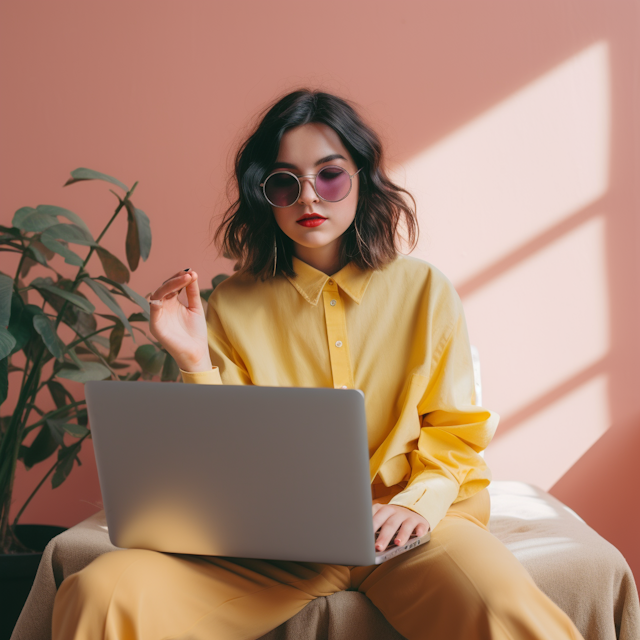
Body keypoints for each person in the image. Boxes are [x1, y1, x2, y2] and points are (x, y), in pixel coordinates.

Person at [52, 89, 585, 640]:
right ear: (267, 196)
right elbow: (226, 457)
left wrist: (418, 504)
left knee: (503, 607)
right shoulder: (233, 302)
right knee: (103, 592)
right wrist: (193, 356)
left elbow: (454, 431)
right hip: (272, 548)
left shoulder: (425, 290)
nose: (309, 197)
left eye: (330, 175)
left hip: (411, 534)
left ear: (362, 177)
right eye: (285, 182)